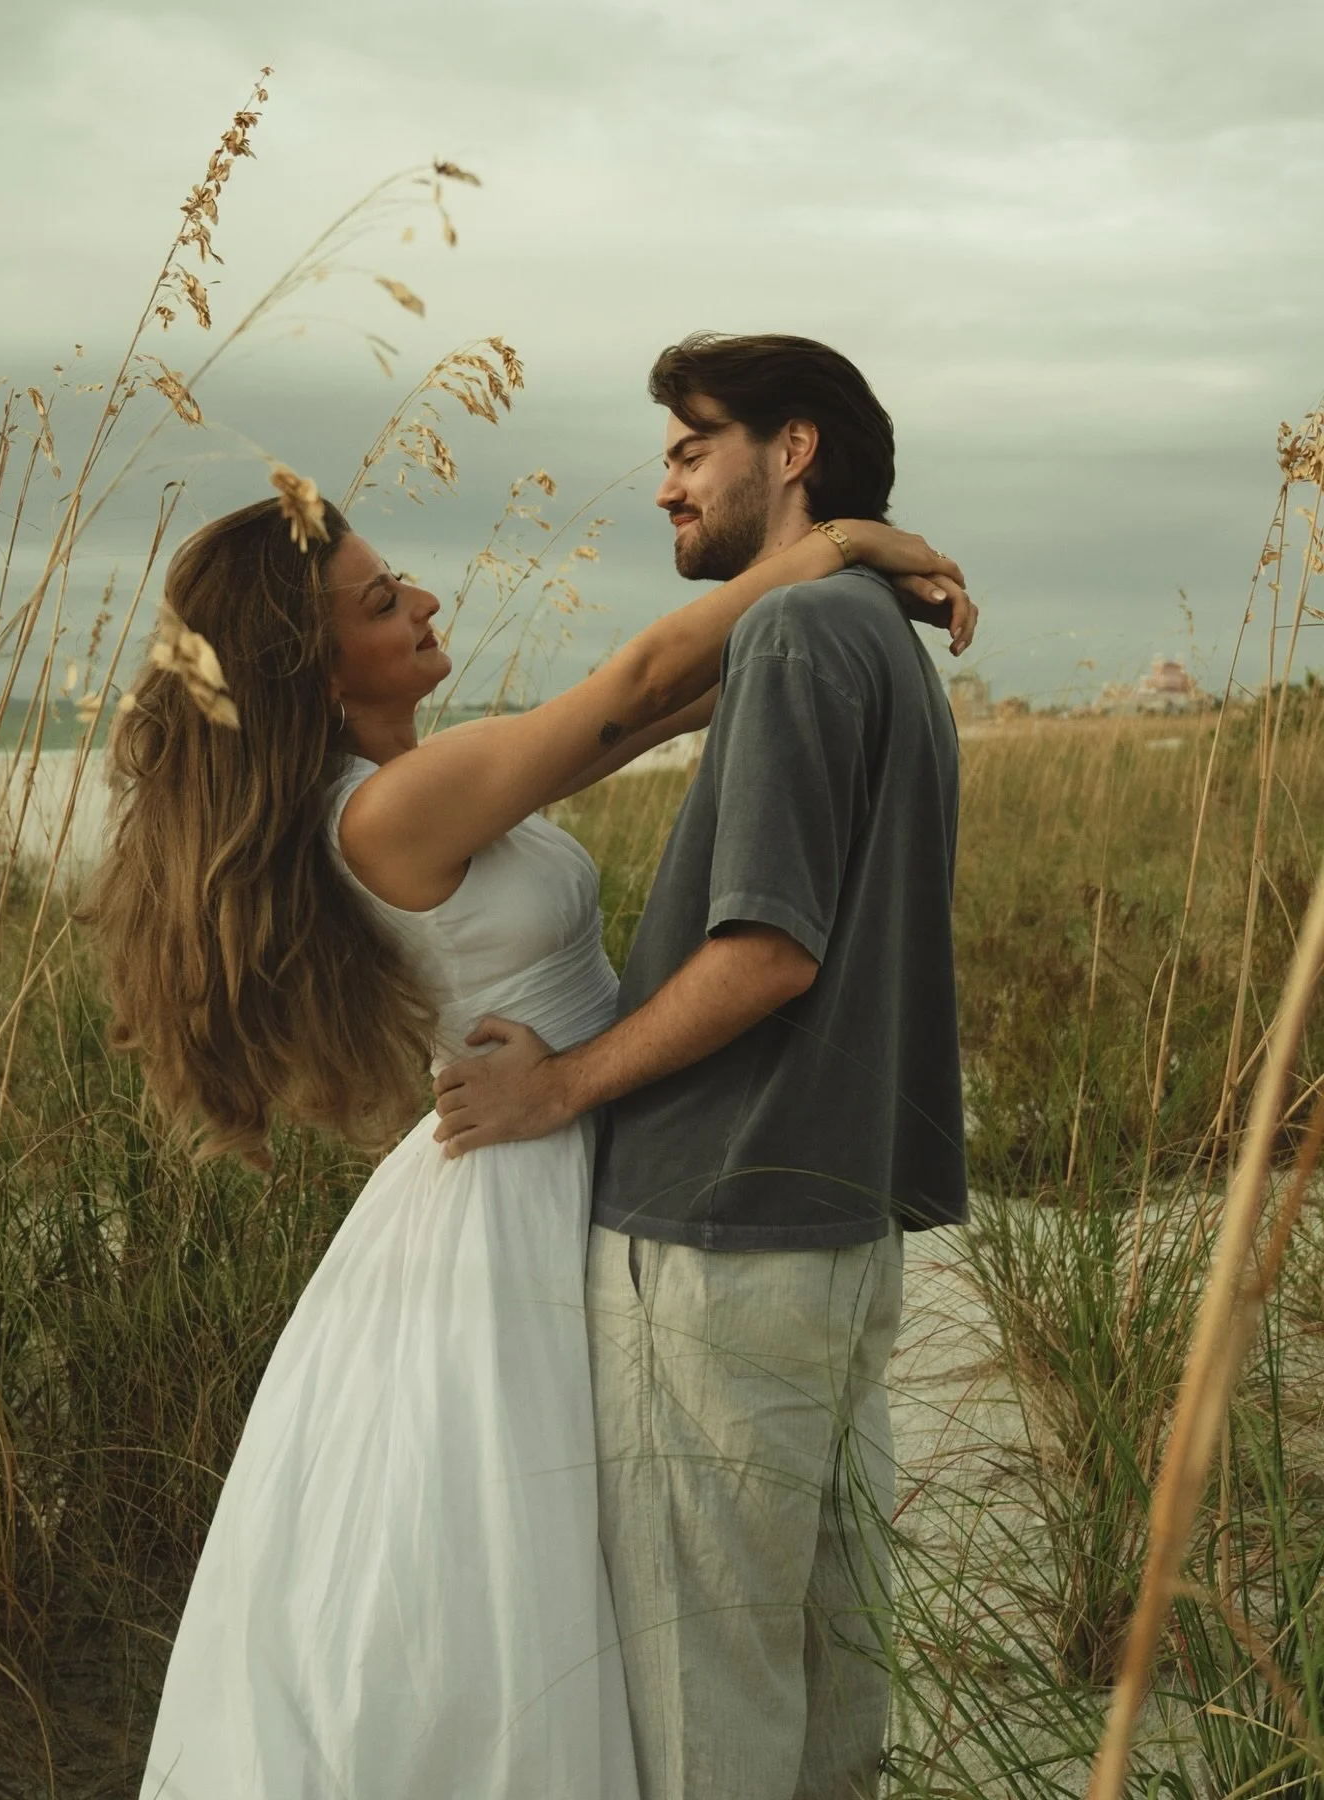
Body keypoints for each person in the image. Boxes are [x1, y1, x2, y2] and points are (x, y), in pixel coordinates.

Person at [96, 448, 969, 1797]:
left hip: (552, 1150)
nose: (427, 605)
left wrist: (829, 641)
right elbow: (622, 686)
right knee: (514, 1569)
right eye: (383, 604)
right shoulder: (392, 808)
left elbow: (643, 718)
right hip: (518, 1178)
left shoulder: (422, 780)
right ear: (312, 664)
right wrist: (838, 540)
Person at [432, 333, 972, 1800]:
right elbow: (649, 701)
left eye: (692, 447)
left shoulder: (799, 639)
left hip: (723, 1224)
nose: (664, 483)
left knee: (700, 1692)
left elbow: (769, 952)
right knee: (823, 1659)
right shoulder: (881, 638)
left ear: (790, 452)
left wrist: (557, 1087)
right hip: (839, 1218)